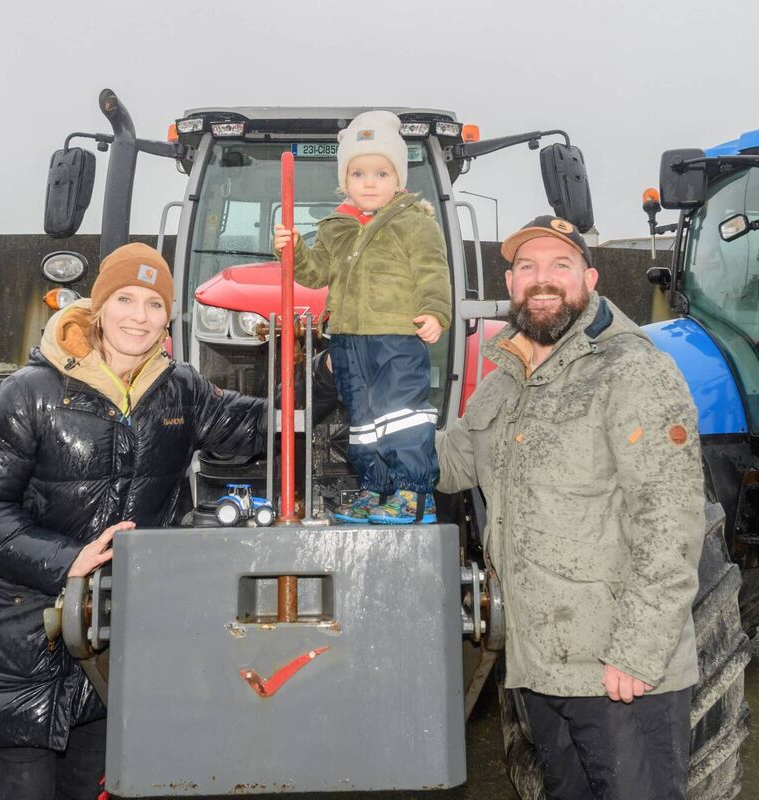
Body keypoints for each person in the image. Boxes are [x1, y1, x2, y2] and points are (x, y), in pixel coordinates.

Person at [0, 242, 267, 800]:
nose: (137, 317)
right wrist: (65, 559)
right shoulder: (30, 393)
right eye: (124, 299)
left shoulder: (180, 390)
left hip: (113, 648)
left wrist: (333, 369)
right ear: (98, 306)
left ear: (166, 317)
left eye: (152, 304)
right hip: (26, 644)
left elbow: (259, 427)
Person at [435, 216, 705, 799]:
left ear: (590, 278)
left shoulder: (632, 371)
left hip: (620, 675)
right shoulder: (504, 380)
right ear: (511, 283)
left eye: (560, 266)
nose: (543, 279)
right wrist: (370, 424)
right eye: (528, 267)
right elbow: (451, 464)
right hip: (540, 672)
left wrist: (635, 653)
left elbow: (670, 522)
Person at [273, 109, 451, 524]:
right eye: (358, 174)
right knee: (364, 421)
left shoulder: (414, 223)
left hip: (396, 337)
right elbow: (315, 273)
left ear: (399, 180)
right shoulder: (336, 226)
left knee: (401, 414)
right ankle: (377, 488)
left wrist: (434, 311)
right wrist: (291, 247)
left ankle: (413, 494)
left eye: (381, 174)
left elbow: (432, 270)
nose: (369, 183)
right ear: (344, 181)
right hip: (348, 338)